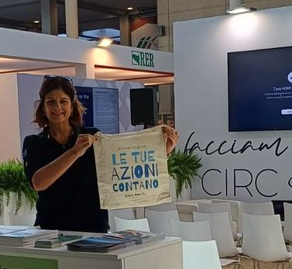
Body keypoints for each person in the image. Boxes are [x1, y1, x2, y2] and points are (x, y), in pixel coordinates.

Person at [22, 75, 179, 233]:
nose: (57, 107)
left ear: (72, 106)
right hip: (51, 230)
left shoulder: (93, 136)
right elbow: (38, 183)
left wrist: (163, 150)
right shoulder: (34, 143)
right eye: (51, 102)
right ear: (43, 107)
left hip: (93, 228)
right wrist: (74, 152)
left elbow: (124, 165)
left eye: (63, 101)